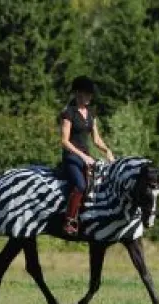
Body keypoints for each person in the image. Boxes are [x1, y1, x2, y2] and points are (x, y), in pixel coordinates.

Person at [60, 75, 115, 236]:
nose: (90, 97)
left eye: (90, 94)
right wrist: (83, 157)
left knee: (99, 184)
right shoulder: (68, 113)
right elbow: (64, 141)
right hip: (71, 157)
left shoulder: (91, 115)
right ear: (78, 94)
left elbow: (96, 139)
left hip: (86, 156)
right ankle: (69, 220)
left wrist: (107, 151)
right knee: (81, 186)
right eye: (87, 94)